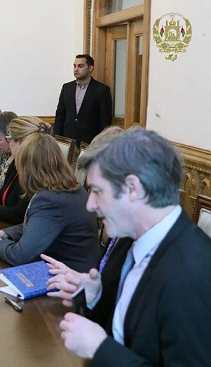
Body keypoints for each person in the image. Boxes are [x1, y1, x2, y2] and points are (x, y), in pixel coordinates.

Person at [43, 127, 211, 365]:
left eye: (98, 191)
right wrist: (95, 297)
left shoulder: (190, 273)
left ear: (133, 188)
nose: (90, 205)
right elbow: (131, 330)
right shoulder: (136, 242)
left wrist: (99, 348)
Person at [0, 133, 99, 272]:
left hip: (69, 281)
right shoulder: (67, 188)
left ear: (28, 168)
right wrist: (4, 234)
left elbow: (20, 255)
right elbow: (39, 225)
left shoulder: (50, 199)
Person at [0, 116, 50, 224]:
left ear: (23, 142)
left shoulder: (35, 170)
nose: (9, 143)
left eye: (11, 139)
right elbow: (3, 191)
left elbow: (21, 214)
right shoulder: (16, 162)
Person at [54, 54, 112, 146]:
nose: (76, 69)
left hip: (90, 143)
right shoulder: (66, 88)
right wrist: (56, 139)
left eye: (80, 66)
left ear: (90, 68)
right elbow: (60, 114)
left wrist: (101, 143)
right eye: (74, 66)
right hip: (67, 141)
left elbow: (104, 120)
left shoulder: (101, 90)